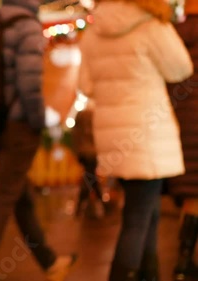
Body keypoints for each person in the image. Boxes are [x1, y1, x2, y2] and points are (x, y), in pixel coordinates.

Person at [78, 0, 193, 280]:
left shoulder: (94, 31)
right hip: (147, 135)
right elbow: (181, 68)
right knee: (137, 220)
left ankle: (149, 275)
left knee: (147, 213)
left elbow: (86, 85)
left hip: (113, 137)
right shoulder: (151, 25)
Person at [0, 0, 76, 280]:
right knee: (4, 197)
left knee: (19, 194)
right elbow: (30, 85)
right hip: (18, 125)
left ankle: (49, 261)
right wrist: (39, 121)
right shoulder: (27, 26)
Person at [167, 1, 198, 280]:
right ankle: (187, 259)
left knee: (190, 197)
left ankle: (184, 257)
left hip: (180, 127)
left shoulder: (172, 33)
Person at [70, 100, 107, 219]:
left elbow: (74, 135)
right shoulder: (95, 116)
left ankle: (82, 206)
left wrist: (77, 152)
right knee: (90, 178)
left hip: (83, 153)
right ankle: (89, 204)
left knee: (90, 177)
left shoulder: (79, 115)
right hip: (93, 152)